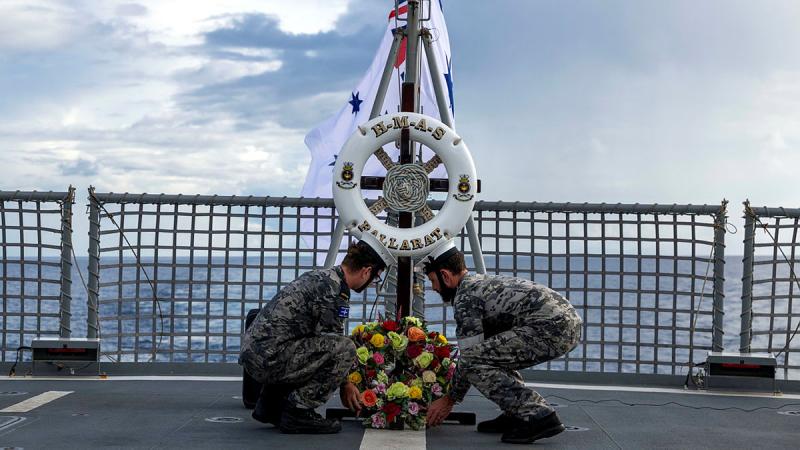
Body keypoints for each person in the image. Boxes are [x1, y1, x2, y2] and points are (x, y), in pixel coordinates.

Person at [422, 241, 582, 444]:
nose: (434, 288)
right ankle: (516, 413)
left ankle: (537, 414)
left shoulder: (465, 297)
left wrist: (448, 400)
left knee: (474, 360)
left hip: (552, 328)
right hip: (565, 325)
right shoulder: (479, 283)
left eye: (433, 281)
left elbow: (470, 357)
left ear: (445, 275)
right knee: (489, 352)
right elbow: (490, 349)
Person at [239, 234, 395, 434]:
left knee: (314, 346)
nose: (373, 283)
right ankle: (298, 412)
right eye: (376, 277)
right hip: (269, 360)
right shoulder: (334, 291)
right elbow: (334, 343)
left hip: (260, 356)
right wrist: (346, 384)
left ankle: (271, 405)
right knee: (345, 348)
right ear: (366, 272)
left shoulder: (324, 277)